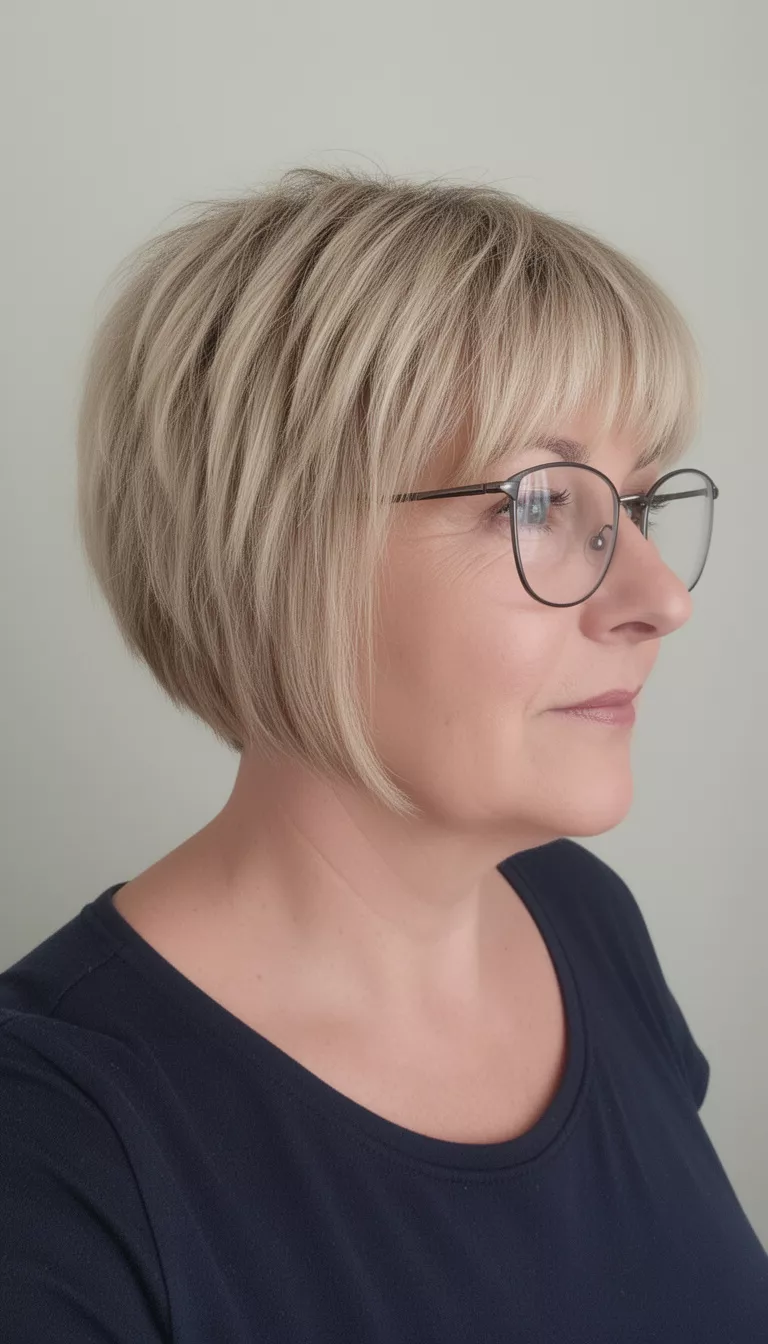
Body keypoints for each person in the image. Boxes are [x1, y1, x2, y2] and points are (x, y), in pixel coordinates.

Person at [1, 165, 765, 1342]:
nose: (661, 598)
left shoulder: (585, 921)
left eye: (642, 506)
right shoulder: (50, 1154)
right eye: (538, 505)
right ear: (277, 551)